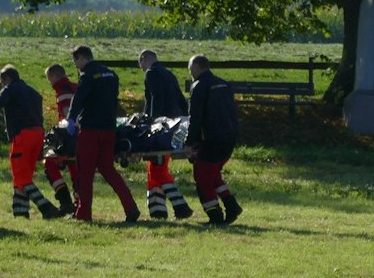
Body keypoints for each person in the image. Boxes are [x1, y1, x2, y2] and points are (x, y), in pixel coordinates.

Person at [0, 65, 61, 219]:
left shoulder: (11, 90)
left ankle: (46, 208)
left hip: (22, 136)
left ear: (7, 78)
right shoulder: (33, 93)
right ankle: (20, 212)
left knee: (21, 176)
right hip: (37, 135)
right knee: (24, 176)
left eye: (2, 82)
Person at [65, 45, 140, 222]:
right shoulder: (112, 75)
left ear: (81, 58)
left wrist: (71, 119)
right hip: (109, 129)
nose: (77, 66)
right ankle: (131, 207)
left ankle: (84, 214)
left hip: (90, 130)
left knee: (86, 173)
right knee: (108, 169)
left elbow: (79, 99)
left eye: (76, 62)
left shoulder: (87, 75)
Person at [182, 54, 243, 224]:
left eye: (190, 69)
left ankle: (215, 215)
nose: (190, 73)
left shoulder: (200, 86)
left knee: (202, 176)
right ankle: (232, 206)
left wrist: (189, 143)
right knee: (214, 174)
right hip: (229, 136)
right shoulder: (223, 83)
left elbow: (195, 117)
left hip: (212, 138)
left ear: (196, 67)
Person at [137, 49, 193, 220]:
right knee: (155, 167)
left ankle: (181, 206)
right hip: (176, 123)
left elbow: (154, 99)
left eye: (140, 64)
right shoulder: (168, 73)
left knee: (158, 168)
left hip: (162, 127)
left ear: (144, 59)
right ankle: (157, 209)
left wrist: (150, 122)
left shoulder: (151, 73)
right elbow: (180, 99)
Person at [41, 63, 77, 213]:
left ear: (55, 76)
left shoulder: (63, 91)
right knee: (76, 170)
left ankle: (65, 201)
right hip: (79, 135)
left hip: (69, 137)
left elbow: (67, 115)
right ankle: (79, 203)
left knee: (50, 163)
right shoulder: (74, 87)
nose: (50, 83)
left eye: (50, 79)